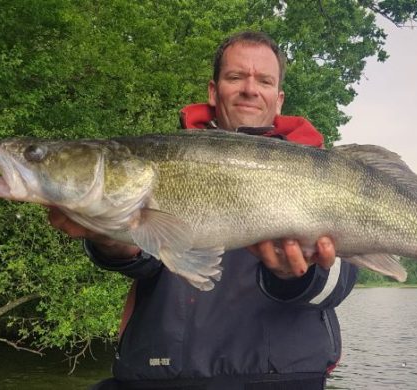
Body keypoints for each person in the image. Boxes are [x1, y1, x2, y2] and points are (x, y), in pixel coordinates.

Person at [48, 31, 358, 390]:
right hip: (159, 375)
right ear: (214, 91)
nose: (250, 89)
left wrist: (296, 276)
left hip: (282, 378)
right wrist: (113, 242)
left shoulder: (324, 170)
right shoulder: (163, 156)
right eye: (236, 77)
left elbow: (338, 284)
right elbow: (147, 258)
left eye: (264, 81)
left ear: (279, 99)